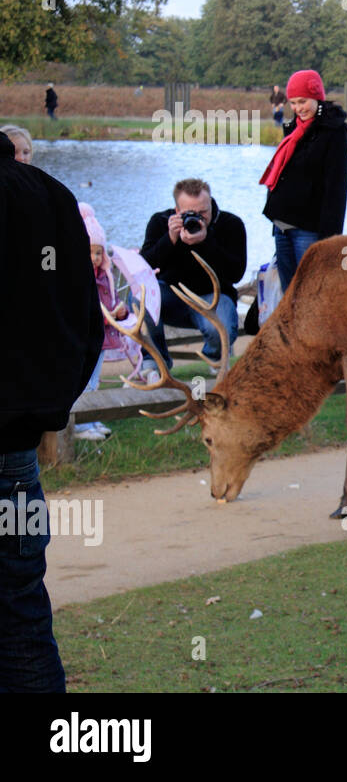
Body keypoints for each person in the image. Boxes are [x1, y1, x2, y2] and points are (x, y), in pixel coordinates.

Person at [0, 130, 102, 692]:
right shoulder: (51, 196)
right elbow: (86, 321)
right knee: (22, 621)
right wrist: (48, 403)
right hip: (17, 456)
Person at [138, 178, 246, 377]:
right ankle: (154, 363)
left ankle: (215, 358)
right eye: (190, 213)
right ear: (177, 211)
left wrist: (206, 241)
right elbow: (144, 267)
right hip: (171, 295)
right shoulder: (161, 222)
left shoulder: (231, 224)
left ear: (211, 203)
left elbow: (236, 273)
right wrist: (170, 239)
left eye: (203, 212)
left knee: (220, 330)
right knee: (140, 297)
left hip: (213, 296)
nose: (198, 218)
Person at [260, 69, 347, 290]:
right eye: (292, 103)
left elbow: (336, 190)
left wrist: (330, 240)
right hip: (282, 224)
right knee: (289, 294)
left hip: (309, 229)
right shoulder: (293, 130)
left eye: (303, 101)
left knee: (312, 291)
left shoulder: (335, 132)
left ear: (317, 97)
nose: (298, 108)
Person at [74, 204, 128, 440]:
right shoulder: (77, 279)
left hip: (102, 337)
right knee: (83, 380)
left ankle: (92, 418)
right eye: (89, 252)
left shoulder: (105, 277)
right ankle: (80, 425)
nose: (95, 258)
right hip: (85, 337)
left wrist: (121, 312)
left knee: (94, 382)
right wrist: (101, 313)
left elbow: (111, 305)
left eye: (99, 252)